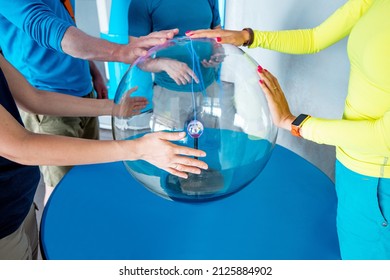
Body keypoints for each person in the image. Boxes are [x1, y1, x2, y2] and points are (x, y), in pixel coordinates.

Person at [188, 0, 390, 260]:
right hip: (351, 166)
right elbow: (314, 38)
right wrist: (248, 37)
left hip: (379, 180)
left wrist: (295, 123)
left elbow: (382, 136)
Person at [0, 54, 208, 260]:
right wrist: (138, 149)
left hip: (20, 204)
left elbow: (35, 98)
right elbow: (19, 146)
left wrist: (114, 108)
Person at [0, 0, 179, 203]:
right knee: (60, 188)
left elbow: (67, 25)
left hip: (82, 91)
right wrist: (121, 52)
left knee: (86, 174)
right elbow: (47, 28)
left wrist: (92, 71)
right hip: (48, 100)